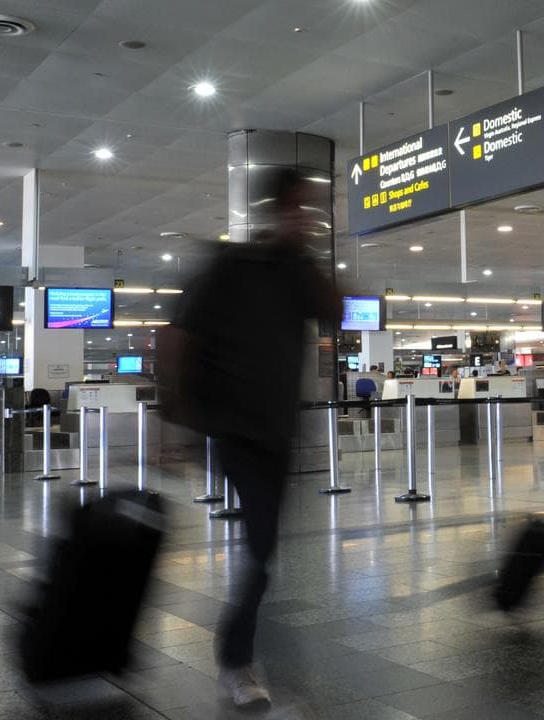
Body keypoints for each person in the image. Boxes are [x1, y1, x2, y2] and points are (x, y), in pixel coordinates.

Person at [165, 168, 340, 710]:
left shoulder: (297, 270)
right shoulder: (228, 265)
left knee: (265, 548)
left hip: (277, 429)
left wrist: (308, 255)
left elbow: (335, 312)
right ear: (272, 209)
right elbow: (177, 337)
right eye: (296, 206)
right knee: (261, 547)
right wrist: (174, 424)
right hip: (234, 426)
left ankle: (239, 653)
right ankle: (235, 661)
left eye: (310, 209)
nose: (304, 217)